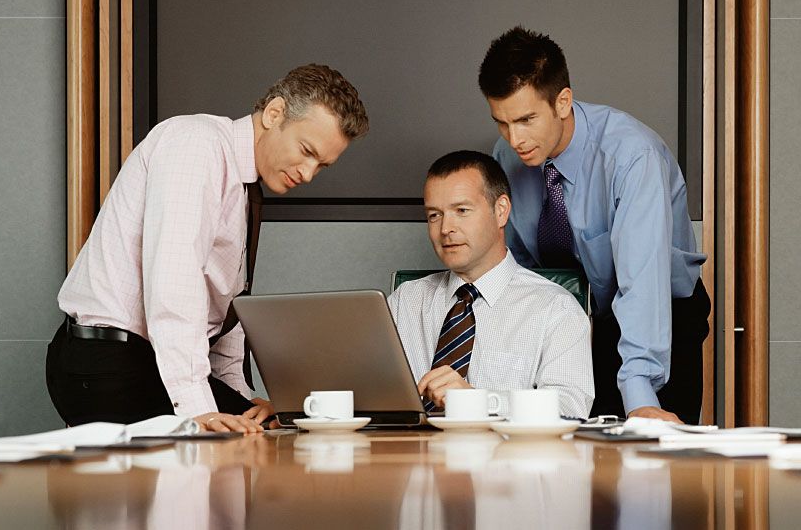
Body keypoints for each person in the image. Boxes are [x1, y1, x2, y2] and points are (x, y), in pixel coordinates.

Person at [47, 64, 369, 433]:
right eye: (306, 151)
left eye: (322, 165)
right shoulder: (196, 145)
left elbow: (224, 304)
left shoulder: (244, 183)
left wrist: (239, 398)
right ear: (274, 113)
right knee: (230, 451)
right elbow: (174, 284)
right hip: (105, 361)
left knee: (266, 429)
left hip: (149, 363)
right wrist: (199, 410)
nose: (308, 173)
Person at [478, 27, 711, 424]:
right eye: (502, 122)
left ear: (563, 102)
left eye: (527, 119)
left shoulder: (631, 157)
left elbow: (642, 282)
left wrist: (639, 395)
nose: (515, 139)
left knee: (651, 448)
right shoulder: (507, 155)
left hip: (661, 315)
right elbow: (517, 268)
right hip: (578, 318)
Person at [387, 150, 594, 418]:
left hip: (505, 447)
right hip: (409, 445)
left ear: (501, 211)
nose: (445, 228)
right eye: (434, 215)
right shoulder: (404, 302)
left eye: (461, 211)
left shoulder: (556, 308)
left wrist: (480, 401)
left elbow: (570, 409)